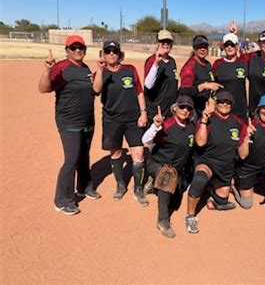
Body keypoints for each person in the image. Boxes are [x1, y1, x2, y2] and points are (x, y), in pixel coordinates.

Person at [38, 35, 99, 215]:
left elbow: (95, 90)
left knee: (83, 156)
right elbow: (43, 88)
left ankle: (84, 187)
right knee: (71, 159)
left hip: (87, 120)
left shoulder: (85, 68)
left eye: (81, 47)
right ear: (67, 51)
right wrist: (47, 71)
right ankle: (62, 200)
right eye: (73, 48)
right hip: (69, 121)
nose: (78, 50)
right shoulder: (62, 67)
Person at [92, 41, 149, 206]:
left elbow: (139, 91)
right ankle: (120, 185)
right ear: (103, 54)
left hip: (133, 119)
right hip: (112, 120)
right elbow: (96, 90)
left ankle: (138, 188)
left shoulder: (129, 69)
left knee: (138, 154)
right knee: (116, 153)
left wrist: (143, 113)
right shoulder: (101, 73)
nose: (111, 54)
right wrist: (100, 70)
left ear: (119, 54)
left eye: (114, 51)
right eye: (108, 51)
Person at [185, 91, 245, 234]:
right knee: (200, 179)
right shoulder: (209, 118)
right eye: (221, 101)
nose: (224, 104)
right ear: (216, 103)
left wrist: (247, 137)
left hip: (226, 168)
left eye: (228, 102)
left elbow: (242, 153)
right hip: (208, 161)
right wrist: (204, 120)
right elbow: (200, 142)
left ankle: (211, 192)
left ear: (232, 105)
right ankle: (190, 216)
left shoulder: (238, 123)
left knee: (221, 201)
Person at [141, 95, 196, 238]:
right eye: (182, 107)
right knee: (167, 176)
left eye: (188, 108)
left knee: (174, 204)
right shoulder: (167, 124)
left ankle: (154, 185)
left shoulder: (191, 128)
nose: (185, 110)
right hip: (157, 164)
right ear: (175, 108)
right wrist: (155, 126)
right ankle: (162, 220)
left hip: (178, 170)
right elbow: (145, 140)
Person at [179, 35, 223, 117]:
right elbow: (184, 91)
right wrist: (204, 86)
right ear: (194, 48)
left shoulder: (207, 64)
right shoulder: (190, 66)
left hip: (206, 109)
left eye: (205, 47)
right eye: (199, 47)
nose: (202, 49)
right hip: (194, 112)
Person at [143, 30, 178, 121]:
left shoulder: (172, 61)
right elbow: (148, 85)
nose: (165, 44)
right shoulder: (151, 60)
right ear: (158, 43)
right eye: (162, 41)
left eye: (168, 42)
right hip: (156, 112)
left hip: (170, 110)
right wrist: (155, 64)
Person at [212, 33, 248, 120]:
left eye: (232, 45)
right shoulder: (217, 64)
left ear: (237, 46)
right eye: (227, 45)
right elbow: (212, 86)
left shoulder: (243, 63)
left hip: (240, 109)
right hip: (222, 109)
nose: (229, 47)